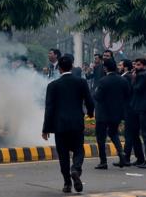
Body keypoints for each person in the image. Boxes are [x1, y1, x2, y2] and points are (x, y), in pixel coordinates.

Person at [42, 56, 94, 193]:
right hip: (77, 123)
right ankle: (75, 169)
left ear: (59, 69)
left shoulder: (53, 85)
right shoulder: (81, 82)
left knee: (63, 154)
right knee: (78, 150)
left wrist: (46, 129)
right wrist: (90, 113)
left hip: (60, 126)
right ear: (72, 67)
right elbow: (90, 101)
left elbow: (49, 108)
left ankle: (67, 184)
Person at [93, 59, 129, 169]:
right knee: (114, 134)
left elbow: (98, 96)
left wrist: (95, 92)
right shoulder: (123, 80)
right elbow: (128, 95)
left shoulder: (103, 81)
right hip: (117, 113)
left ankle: (103, 161)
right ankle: (121, 153)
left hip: (103, 113)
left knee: (101, 138)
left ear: (105, 68)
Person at [117, 59, 145, 166]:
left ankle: (126, 158)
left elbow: (128, 93)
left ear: (125, 67)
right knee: (133, 135)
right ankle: (139, 158)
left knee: (129, 134)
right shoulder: (127, 77)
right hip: (130, 108)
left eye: (120, 64)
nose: (118, 66)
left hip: (130, 109)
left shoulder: (127, 77)